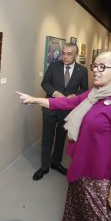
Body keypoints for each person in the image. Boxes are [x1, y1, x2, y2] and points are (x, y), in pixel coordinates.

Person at [16, 51, 111, 221]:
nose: (95, 71)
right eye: (95, 66)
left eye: (102, 67)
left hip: (100, 175)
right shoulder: (94, 94)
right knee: (86, 220)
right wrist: (33, 99)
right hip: (82, 165)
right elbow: (68, 102)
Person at [32, 43, 88, 181]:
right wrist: (56, 93)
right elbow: (45, 83)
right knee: (47, 137)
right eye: (63, 53)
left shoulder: (82, 70)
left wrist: (75, 96)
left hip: (67, 110)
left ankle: (55, 163)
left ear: (76, 54)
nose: (65, 56)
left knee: (61, 137)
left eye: (69, 54)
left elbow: (84, 89)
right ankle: (44, 166)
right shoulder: (54, 66)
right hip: (50, 108)